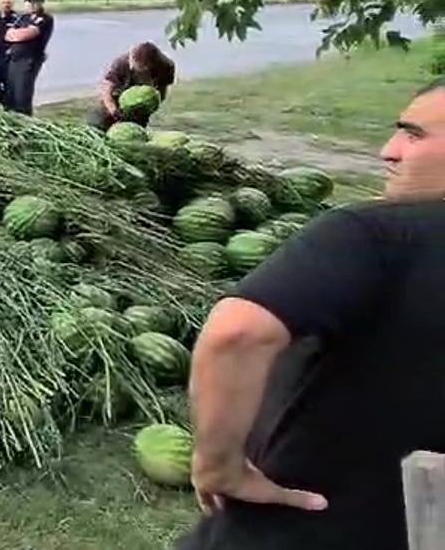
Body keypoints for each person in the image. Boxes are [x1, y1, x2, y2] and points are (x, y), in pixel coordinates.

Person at [177, 81, 445, 550]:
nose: (389, 150)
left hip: (301, 524)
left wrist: (218, 463)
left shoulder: (376, 236)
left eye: (413, 134)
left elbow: (236, 335)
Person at [88, 41, 175, 130]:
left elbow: (161, 94)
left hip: (141, 103)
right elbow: (106, 91)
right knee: (98, 122)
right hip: (116, 96)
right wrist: (114, 111)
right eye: (135, 66)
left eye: (143, 69)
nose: (134, 68)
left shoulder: (166, 67)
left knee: (134, 130)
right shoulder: (120, 64)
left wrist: (148, 107)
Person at [1, 0, 55, 114]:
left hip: (28, 61)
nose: (31, 5)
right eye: (29, 2)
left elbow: (28, 34)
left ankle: (23, 121)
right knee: (11, 94)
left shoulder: (45, 18)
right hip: (14, 59)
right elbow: (8, 34)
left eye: (35, 3)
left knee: (22, 95)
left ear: (41, 3)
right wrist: (17, 34)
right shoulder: (23, 17)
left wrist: (18, 34)